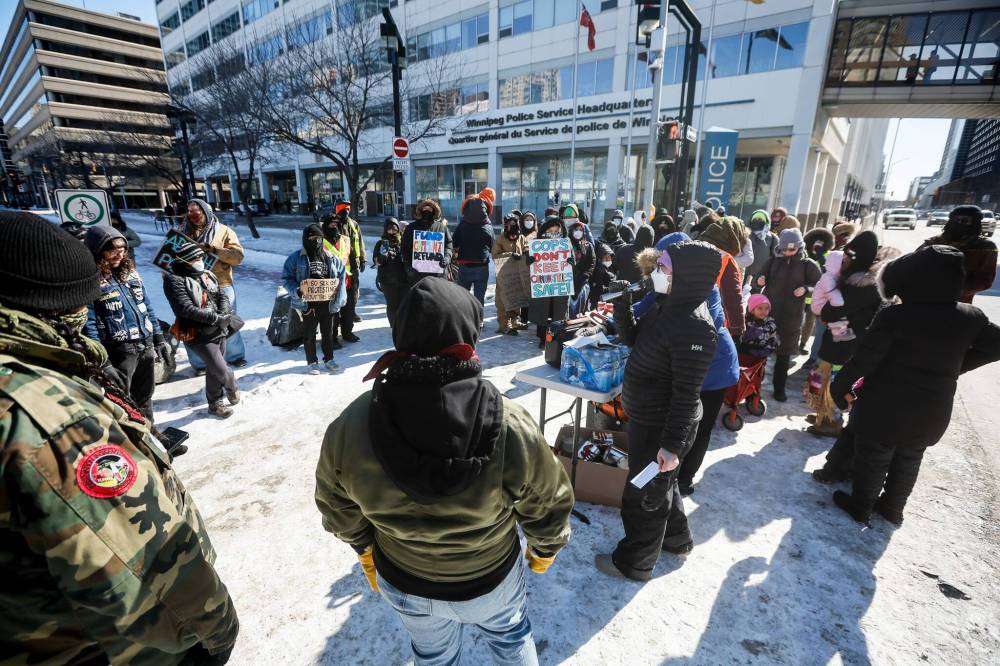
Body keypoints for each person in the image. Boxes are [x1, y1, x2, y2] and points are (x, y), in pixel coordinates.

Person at [0, 212, 239, 664]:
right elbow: (148, 567)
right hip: (104, 646)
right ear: (56, 305)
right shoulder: (48, 416)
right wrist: (217, 633)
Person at [315, 278, 574, 665]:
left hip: (404, 579)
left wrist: (364, 548)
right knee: (510, 642)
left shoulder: (353, 424)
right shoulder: (509, 422)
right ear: (468, 334)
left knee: (433, 656)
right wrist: (545, 547)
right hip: (490, 580)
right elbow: (547, 499)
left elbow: (335, 502)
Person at [828, 245, 1000, 526]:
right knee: (909, 458)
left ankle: (861, 505)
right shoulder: (970, 317)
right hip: (932, 410)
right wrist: (957, 365)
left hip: (884, 405)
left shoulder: (896, 316)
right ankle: (893, 508)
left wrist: (840, 387)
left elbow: (864, 361)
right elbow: (996, 346)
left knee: (875, 455)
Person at [595, 240, 721, 580]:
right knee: (663, 485)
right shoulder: (667, 305)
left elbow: (686, 395)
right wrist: (623, 307)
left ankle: (635, 562)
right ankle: (677, 539)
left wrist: (671, 447)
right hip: (647, 417)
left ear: (687, 276)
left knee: (645, 494)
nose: (656, 273)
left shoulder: (695, 327)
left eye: (664, 267)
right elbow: (635, 340)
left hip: (663, 425)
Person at [653, 233, 740, 498]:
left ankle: (685, 478)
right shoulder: (669, 283)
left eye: (663, 264)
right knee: (683, 420)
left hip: (714, 368)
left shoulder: (703, 288)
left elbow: (699, 329)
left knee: (698, 425)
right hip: (691, 365)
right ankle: (674, 472)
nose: (659, 269)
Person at [83, 225, 169, 425]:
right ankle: (132, 444)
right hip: (119, 352)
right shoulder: (90, 280)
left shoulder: (130, 273)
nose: (118, 254)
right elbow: (89, 323)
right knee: (122, 402)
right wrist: (102, 360)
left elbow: (146, 306)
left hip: (144, 345)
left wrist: (159, 339)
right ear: (98, 250)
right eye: (112, 249)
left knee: (145, 397)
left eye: (122, 249)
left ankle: (152, 438)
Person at [807, 233, 892, 437]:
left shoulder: (862, 285)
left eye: (847, 258)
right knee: (824, 376)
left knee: (834, 379)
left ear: (857, 258)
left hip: (847, 344)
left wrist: (826, 312)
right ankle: (824, 413)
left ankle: (831, 420)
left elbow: (833, 310)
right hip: (841, 340)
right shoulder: (857, 281)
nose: (843, 261)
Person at [162, 242, 240, 418]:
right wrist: (215, 318)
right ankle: (232, 386)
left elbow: (221, 295)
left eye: (200, 257)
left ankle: (215, 404)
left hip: (219, 329)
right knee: (222, 370)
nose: (199, 261)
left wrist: (224, 312)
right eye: (195, 258)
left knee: (213, 370)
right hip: (198, 333)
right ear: (184, 260)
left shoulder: (207, 274)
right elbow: (185, 309)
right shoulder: (174, 280)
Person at [757, 227, 821, 401]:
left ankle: (779, 388)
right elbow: (759, 277)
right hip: (768, 315)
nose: (788, 252)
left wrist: (806, 289)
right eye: (784, 249)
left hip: (791, 318)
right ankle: (754, 387)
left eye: (792, 249)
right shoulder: (773, 262)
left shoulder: (808, 265)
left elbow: (820, 286)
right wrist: (760, 279)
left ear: (800, 247)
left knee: (783, 356)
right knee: (760, 353)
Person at [183, 198, 247, 369]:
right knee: (193, 325)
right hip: (191, 286)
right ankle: (200, 363)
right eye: (190, 211)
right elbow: (167, 259)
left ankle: (235, 356)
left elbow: (238, 257)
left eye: (197, 211)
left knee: (227, 320)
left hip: (222, 284)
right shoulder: (181, 233)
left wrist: (214, 250)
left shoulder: (224, 231)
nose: (193, 215)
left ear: (207, 212)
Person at [282, 224, 347, 374]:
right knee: (309, 334)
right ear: (305, 239)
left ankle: (329, 359)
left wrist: (340, 298)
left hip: (327, 303)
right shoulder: (295, 258)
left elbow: (342, 276)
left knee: (328, 333)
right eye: (312, 238)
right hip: (308, 304)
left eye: (319, 238)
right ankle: (312, 362)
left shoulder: (331, 257)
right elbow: (286, 278)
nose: (316, 241)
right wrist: (296, 291)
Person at [922, 205, 998, 304]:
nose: (959, 223)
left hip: (958, 304)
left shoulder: (986, 246)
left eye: (965, 220)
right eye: (956, 220)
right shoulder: (933, 242)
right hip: (925, 300)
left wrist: (954, 291)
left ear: (975, 223)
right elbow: (911, 265)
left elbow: (984, 280)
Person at [698, 216, 751, 338]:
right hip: (713, 322)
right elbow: (732, 297)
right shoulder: (725, 259)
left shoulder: (692, 248)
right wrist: (737, 328)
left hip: (683, 316)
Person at [526, 216, 571, 347]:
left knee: (558, 313)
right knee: (543, 313)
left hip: (559, 284)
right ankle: (542, 338)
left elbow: (571, 258)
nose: (553, 233)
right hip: (543, 284)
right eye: (551, 230)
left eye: (556, 230)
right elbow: (529, 259)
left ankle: (555, 337)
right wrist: (530, 259)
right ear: (545, 229)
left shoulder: (565, 243)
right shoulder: (537, 243)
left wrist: (570, 261)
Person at [453, 193, 495, 307]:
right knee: (479, 297)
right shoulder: (488, 226)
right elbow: (492, 245)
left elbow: (454, 242)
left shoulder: (462, 225)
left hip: (464, 265)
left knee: (462, 295)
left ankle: (463, 319)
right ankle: (479, 320)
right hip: (482, 266)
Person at [333, 200, 366, 341]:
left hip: (353, 266)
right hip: (336, 268)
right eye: (342, 210)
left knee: (352, 295)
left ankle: (349, 320)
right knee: (337, 297)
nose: (345, 212)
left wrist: (362, 259)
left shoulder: (354, 224)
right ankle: (338, 321)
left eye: (347, 209)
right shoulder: (332, 224)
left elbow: (360, 242)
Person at [800, 227, 836, 355]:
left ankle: (803, 343)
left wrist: (820, 256)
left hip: (817, 296)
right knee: (798, 319)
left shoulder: (828, 256)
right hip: (803, 293)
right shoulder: (804, 253)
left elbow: (827, 271)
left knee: (810, 321)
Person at [319, 212, 353, 348]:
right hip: (330, 283)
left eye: (336, 223)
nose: (334, 225)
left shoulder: (344, 239)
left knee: (348, 311)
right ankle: (331, 339)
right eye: (331, 223)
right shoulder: (321, 241)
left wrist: (354, 274)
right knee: (332, 313)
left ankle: (347, 333)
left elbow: (350, 257)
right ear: (326, 225)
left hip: (347, 280)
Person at [402, 198, 454, 285]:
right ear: (420, 211)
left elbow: (449, 244)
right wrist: (407, 265)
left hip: (438, 274)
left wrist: (447, 257)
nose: (427, 211)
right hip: (416, 274)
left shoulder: (442, 227)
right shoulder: (411, 227)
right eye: (425, 209)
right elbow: (404, 248)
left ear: (434, 211)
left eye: (429, 209)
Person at [492, 214, 529, 335]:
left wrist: (527, 253)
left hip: (517, 275)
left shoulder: (521, 237)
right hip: (504, 275)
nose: (512, 227)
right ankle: (503, 325)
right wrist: (510, 255)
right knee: (502, 300)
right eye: (510, 224)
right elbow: (495, 255)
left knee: (516, 298)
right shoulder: (500, 239)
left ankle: (514, 321)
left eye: (515, 223)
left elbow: (526, 248)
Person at [373, 217, 408, 328]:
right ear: (385, 230)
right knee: (392, 306)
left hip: (404, 280)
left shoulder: (403, 242)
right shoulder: (380, 243)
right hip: (388, 282)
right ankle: (394, 327)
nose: (392, 231)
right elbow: (376, 262)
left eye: (394, 229)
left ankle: (403, 326)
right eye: (389, 229)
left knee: (404, 305)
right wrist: (382, 255)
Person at [739, 294, 779, 359]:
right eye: (760, 308)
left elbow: (773, 339)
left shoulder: (771, 324)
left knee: (759, 368)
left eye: (767, 308)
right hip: (745, 353)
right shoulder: (746, 321)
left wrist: (766, 351)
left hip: (761, 353)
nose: (764, 311)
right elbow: (741, 337)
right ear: (752, 310)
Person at [746, 209, 778, 289]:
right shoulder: (745, 234)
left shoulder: (772, 238)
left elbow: (776, 258)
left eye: (761, 220)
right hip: (742, 275)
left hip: (760, 279)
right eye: (756, 219)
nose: (758, 222)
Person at [568, 219, 595, 299]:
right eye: (576, 229)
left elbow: (592, 262)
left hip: (582, 282)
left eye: (580, 230)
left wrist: (586, 274)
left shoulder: (588, 246)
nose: (578, 232)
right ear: (571, 231)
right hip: (567, 281)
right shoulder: (565, 244)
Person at [589, 241, 617, 308]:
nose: (608, 260)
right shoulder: (598, 271)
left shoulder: (611, 268)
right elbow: (598, 290)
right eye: (605, 258)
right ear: (600, 258)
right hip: (600, 305)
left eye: (609, 257)